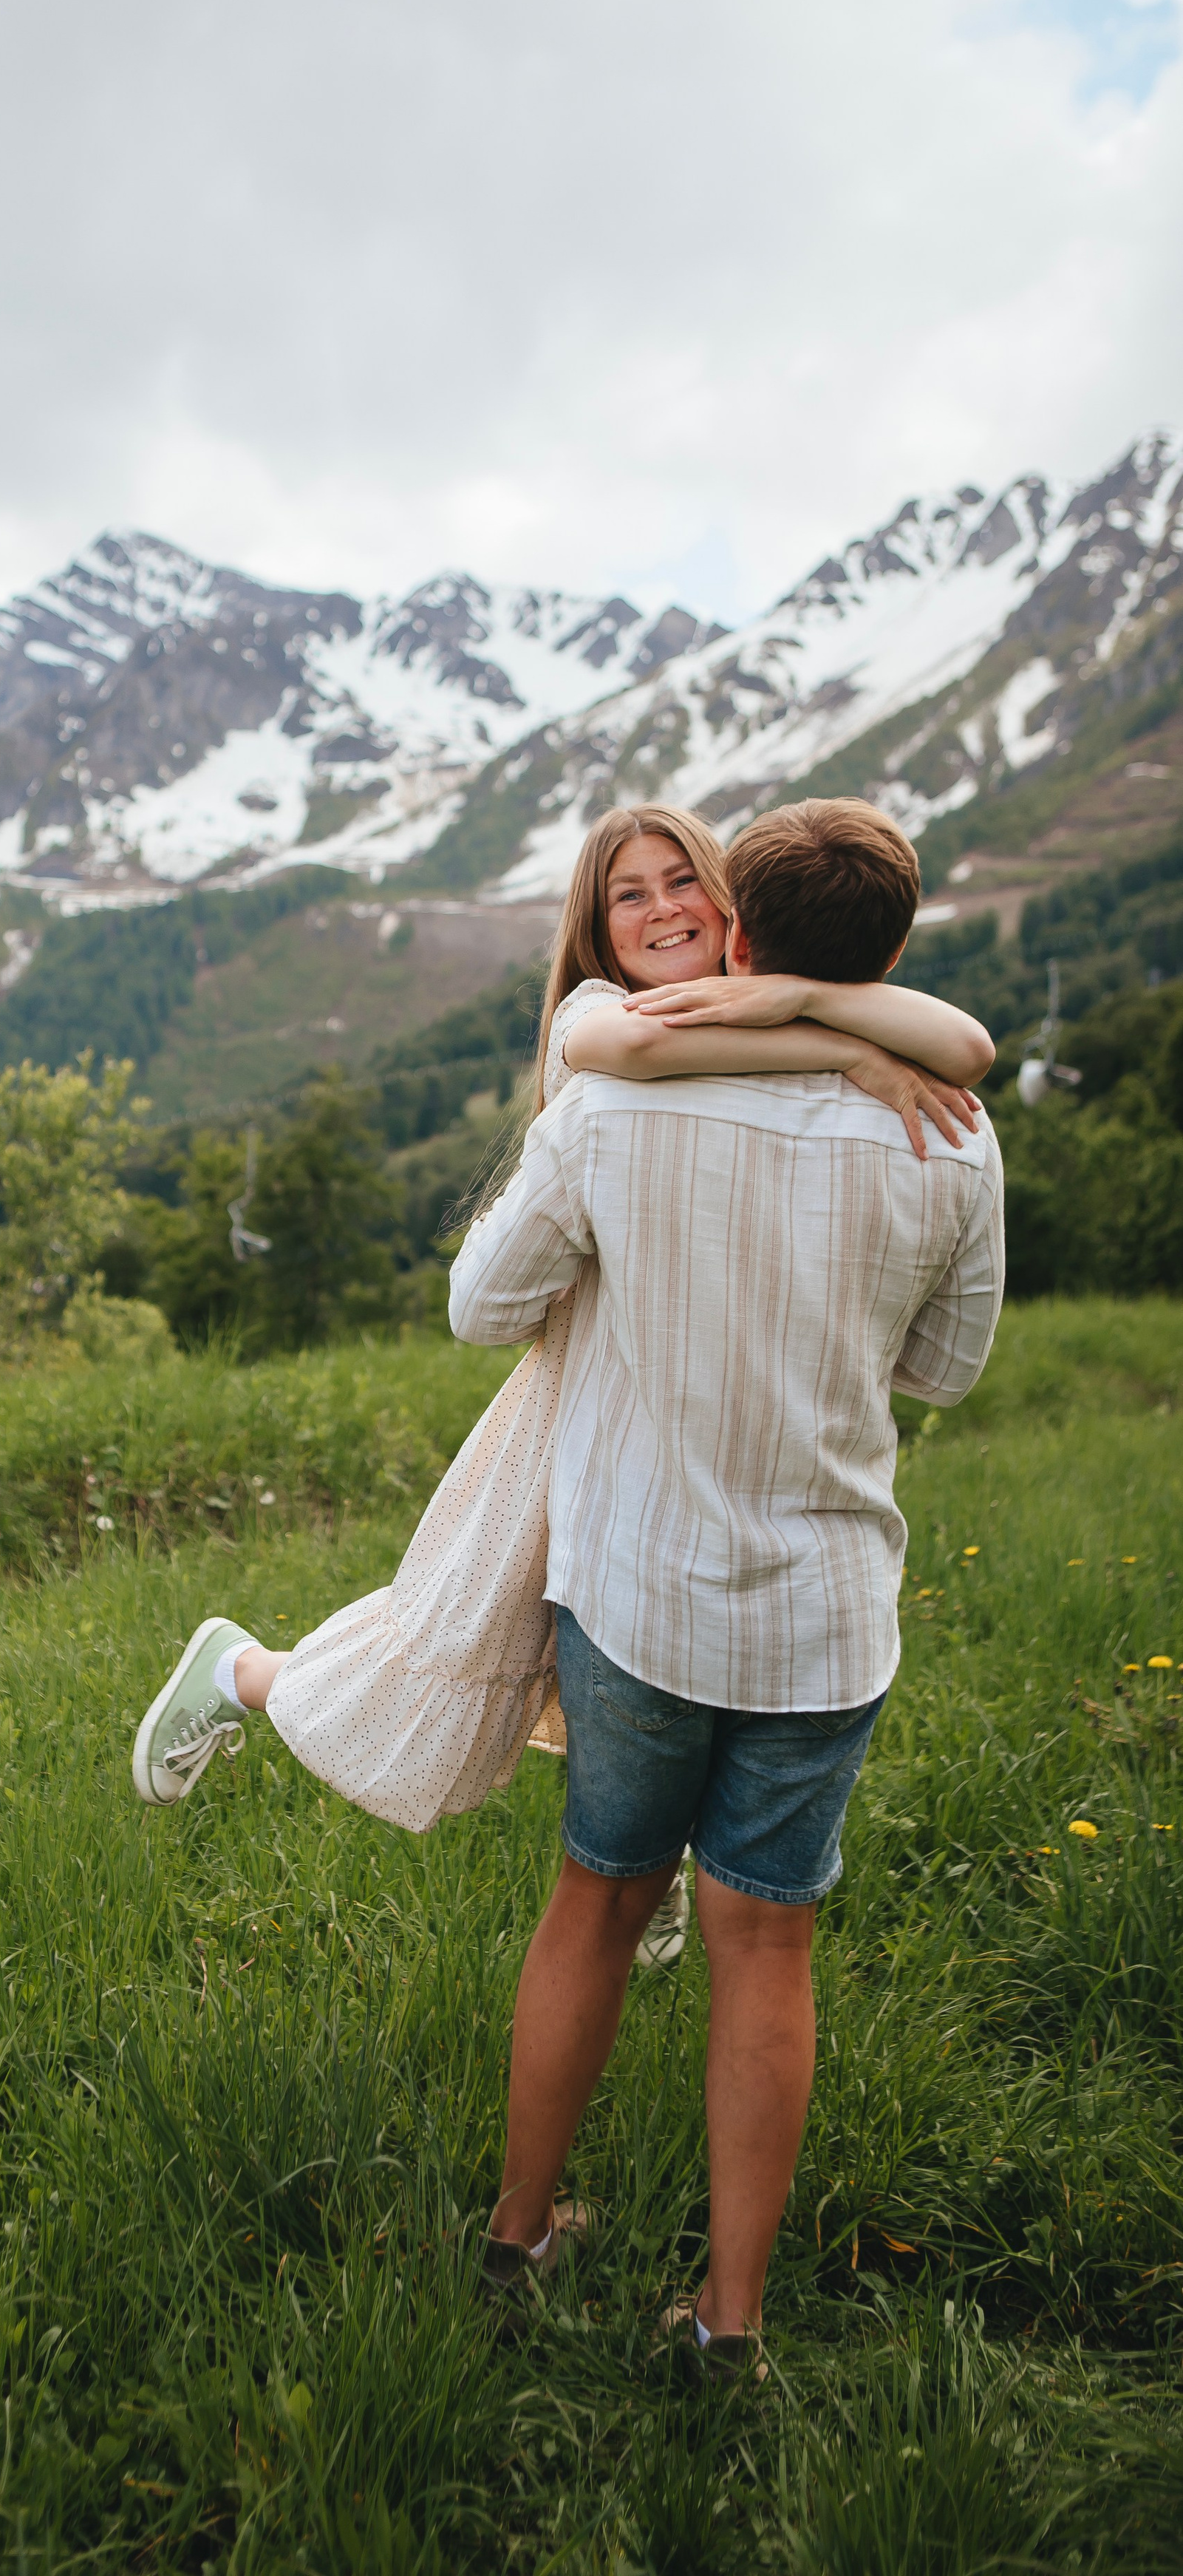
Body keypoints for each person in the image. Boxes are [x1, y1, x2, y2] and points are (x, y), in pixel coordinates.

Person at [130, 805, 992, 1872]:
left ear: (736, 907)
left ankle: (652, 1852)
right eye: (630, 894)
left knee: (610, 1651)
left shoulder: (775, 1000)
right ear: (595, 927)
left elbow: (969, 1047)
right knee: (457, 1651)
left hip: (669, 1392)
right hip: (585, 1395)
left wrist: (814, 1004)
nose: (665, 907)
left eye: (686, 881)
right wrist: (845, 1044)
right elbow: (624, 1048)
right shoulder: (604, 1021)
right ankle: (240, 1673)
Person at [445, 798, 1002, 2373]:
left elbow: (482, 1310)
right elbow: (947, 1370)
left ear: (733, 932)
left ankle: (517, 2233)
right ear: (883, 952)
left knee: (596, 1900)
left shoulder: (611, 1109)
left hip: (635, 1592)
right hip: (821, 1618)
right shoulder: (948, 1129)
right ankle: (726, 2321)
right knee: (765, 1949)